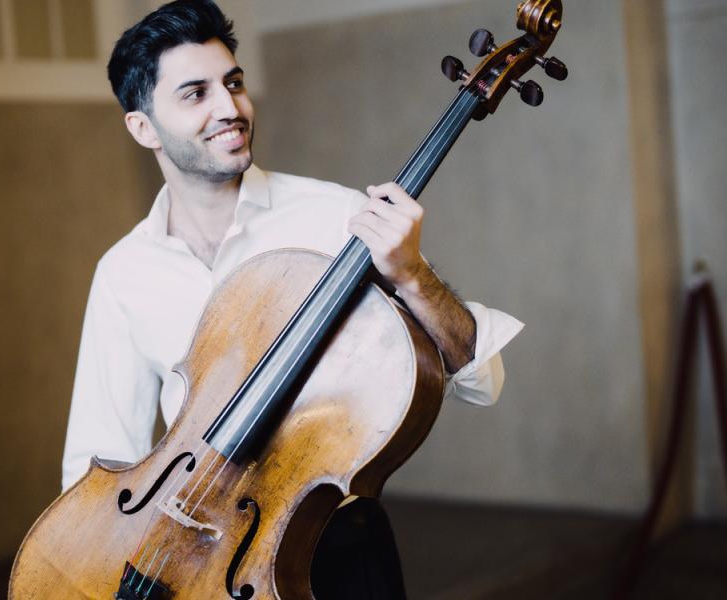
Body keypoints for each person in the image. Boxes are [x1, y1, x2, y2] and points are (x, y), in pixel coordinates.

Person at [62, 1, 522, 598]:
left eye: (233, 83)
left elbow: (483, 381)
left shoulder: (338, 218)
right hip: (189, 561)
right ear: (143, 127)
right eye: (196, 93)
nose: (229, 108)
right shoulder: (124, 272)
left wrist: (411, 274)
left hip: (336, 548)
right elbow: (98, 459)